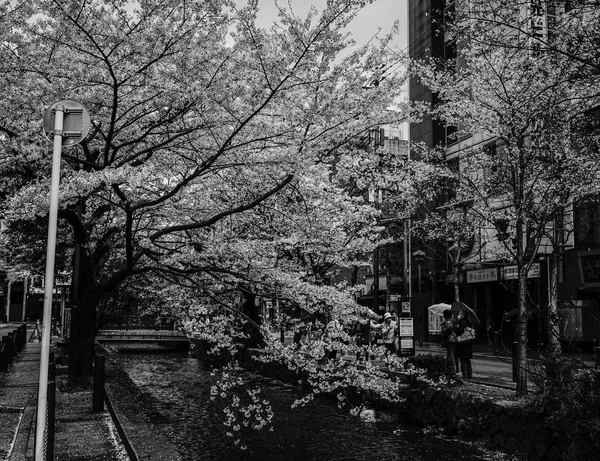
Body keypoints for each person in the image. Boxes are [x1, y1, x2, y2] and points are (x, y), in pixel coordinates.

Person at [440, 309, 458, 377]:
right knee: (451, 354)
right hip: (454, 339)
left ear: (446, 316)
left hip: (450, 339)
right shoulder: (454, 321)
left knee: (450, 355)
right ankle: (452, 369)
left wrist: (443, 325)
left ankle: (452, 370)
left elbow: (445, 331)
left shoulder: (448, 323)